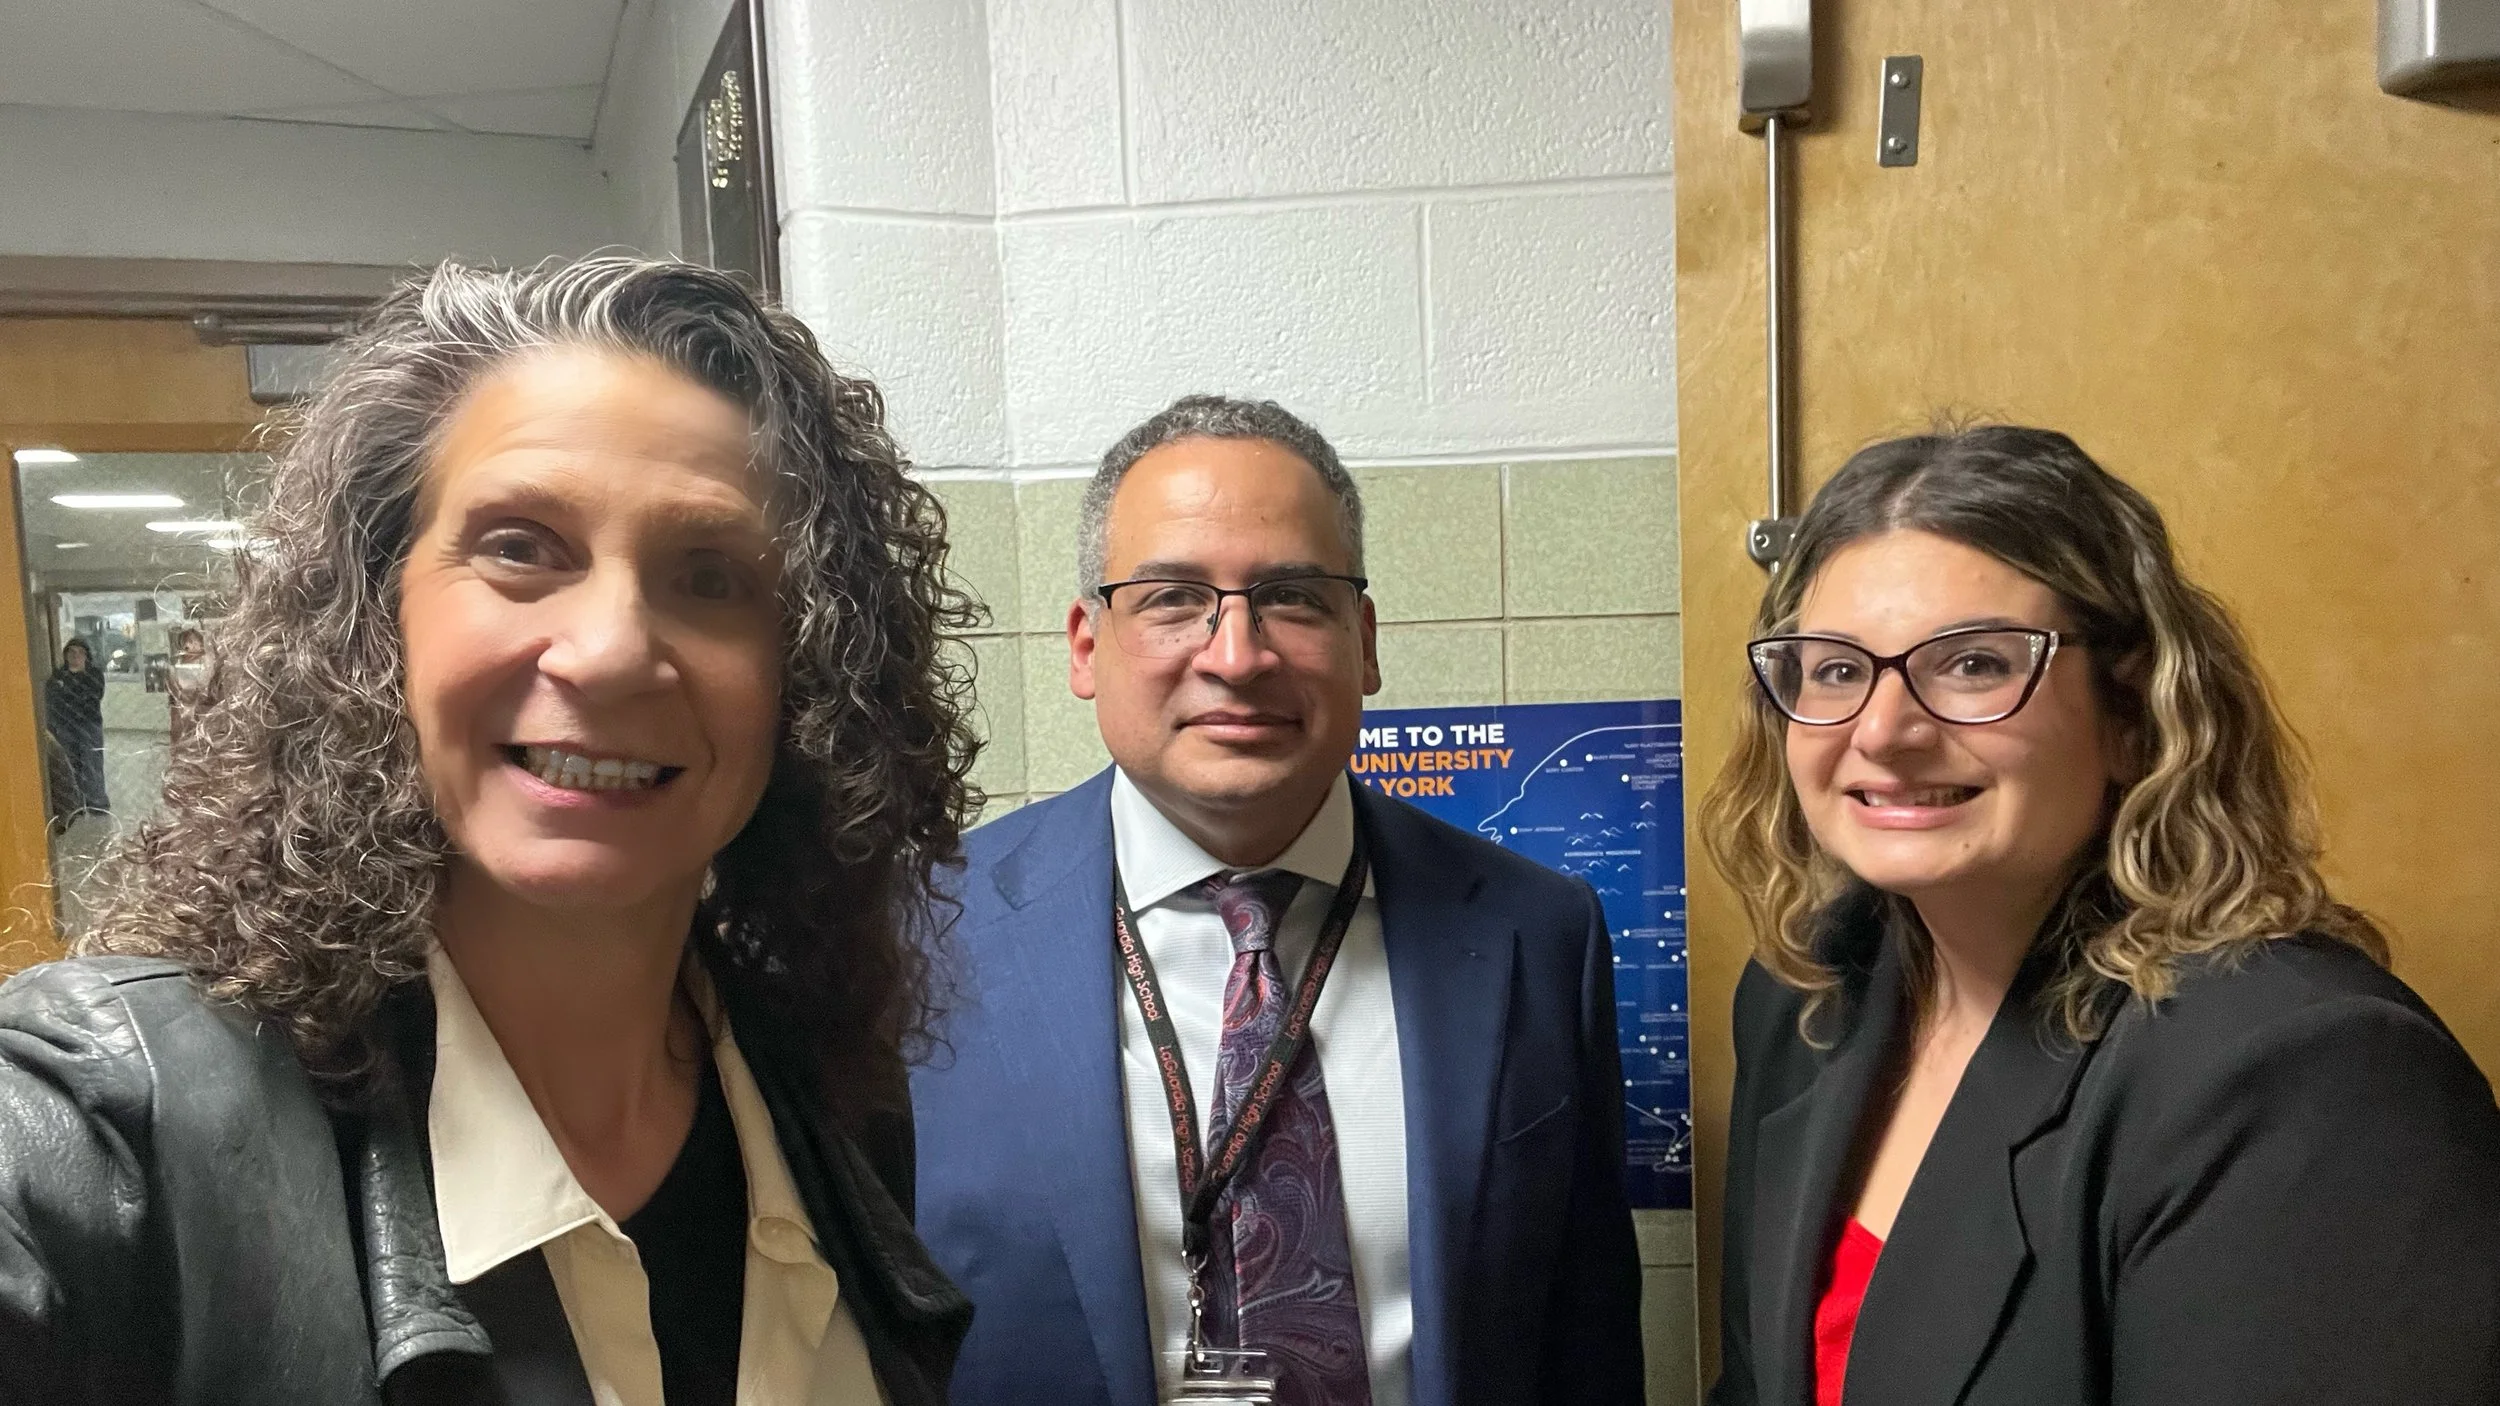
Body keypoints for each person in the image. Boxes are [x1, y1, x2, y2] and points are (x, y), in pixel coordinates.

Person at [0, 258, 979, 1404]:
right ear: (376, 619)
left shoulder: (833, 1101)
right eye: (521, 546)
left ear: (805, 674)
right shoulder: (111, 1121)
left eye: (711, 575)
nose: (611, 649)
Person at [1698, 426, 2500, 1406]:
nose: (1883, 729)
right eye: (1832, 669)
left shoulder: (2303, 1075)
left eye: (1973, 664)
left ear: (2132, 711)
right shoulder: (1807, 998)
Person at [912, 395, 1643, 1406]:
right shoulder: (921, 934)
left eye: (1293, 597)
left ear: (1365, 638)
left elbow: (1586, 1336)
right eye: (1171, 597)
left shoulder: (1537, 933)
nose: (1236, 654)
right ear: (1086, 644)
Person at [42, 638, 108, 818]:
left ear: (87, 656)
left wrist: (69, 691)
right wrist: (74, 694)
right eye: (71, 652)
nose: (76, 656)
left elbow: (93, 696)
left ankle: (97, 803)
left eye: (80, 652)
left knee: (92, 763)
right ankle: (75, 805)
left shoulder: (94, 674)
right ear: (66, 655)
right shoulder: (58, 676)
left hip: (89, 725)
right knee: (70, 765)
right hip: (65, 727)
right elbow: (54, 699)